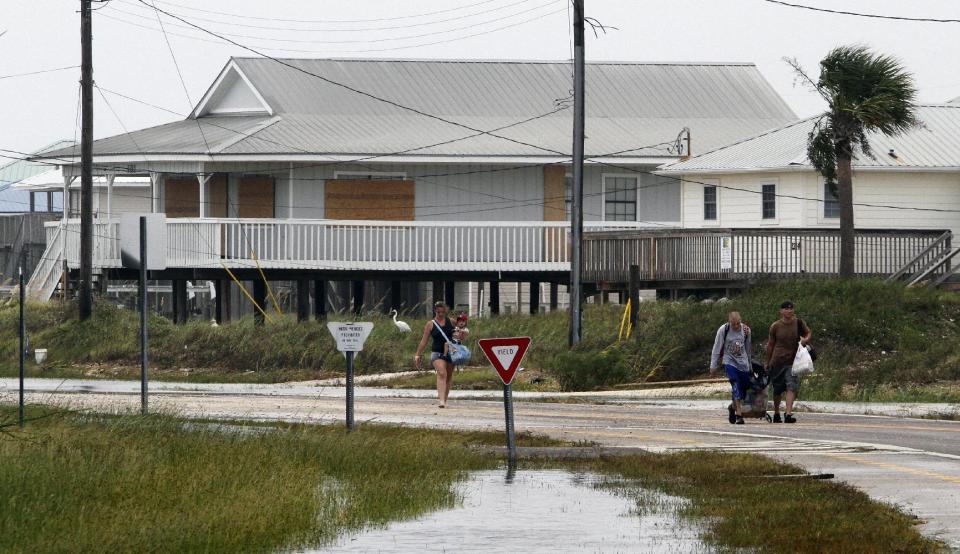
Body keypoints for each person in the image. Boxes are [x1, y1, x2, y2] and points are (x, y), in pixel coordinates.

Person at [765, 300, 812, 423]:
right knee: (777, 390)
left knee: (791, 386)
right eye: (786, 308)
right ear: (781, 311)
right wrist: (767, 362)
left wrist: (804, 340)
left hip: (793, 362)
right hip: (777, 361)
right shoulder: (775, 326)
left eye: (791, 308)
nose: (789, 311)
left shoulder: (799, 323)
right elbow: (770, 344)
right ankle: (776, 413)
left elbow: (808, 333)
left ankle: (788, 414)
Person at [710, 311, 752, 425]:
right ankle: (739, 414)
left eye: (738, 323)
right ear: (729, 322)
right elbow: (716, 348)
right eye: (734, 324)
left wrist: (750, 366)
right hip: (729, 362)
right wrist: (713, 365)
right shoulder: (724, 330)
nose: (736, 326)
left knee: (743, 389)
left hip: (743, 364)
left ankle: (732, 407)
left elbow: (748, 350)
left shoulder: (746, 330)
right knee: (735, 384)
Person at [414, 301, 456, 408]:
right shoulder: (430, 324)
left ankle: (445, 399)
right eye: (438, 312)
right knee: (442, 373)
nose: (440, 314)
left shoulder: (451, 321)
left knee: (449, 375)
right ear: (435, 311)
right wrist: (418, 354)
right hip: (437, 353)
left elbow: (458, 335)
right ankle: (441, 401)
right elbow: (424, 341)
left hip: (451, 353)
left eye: (442, 312)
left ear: (445, 311)